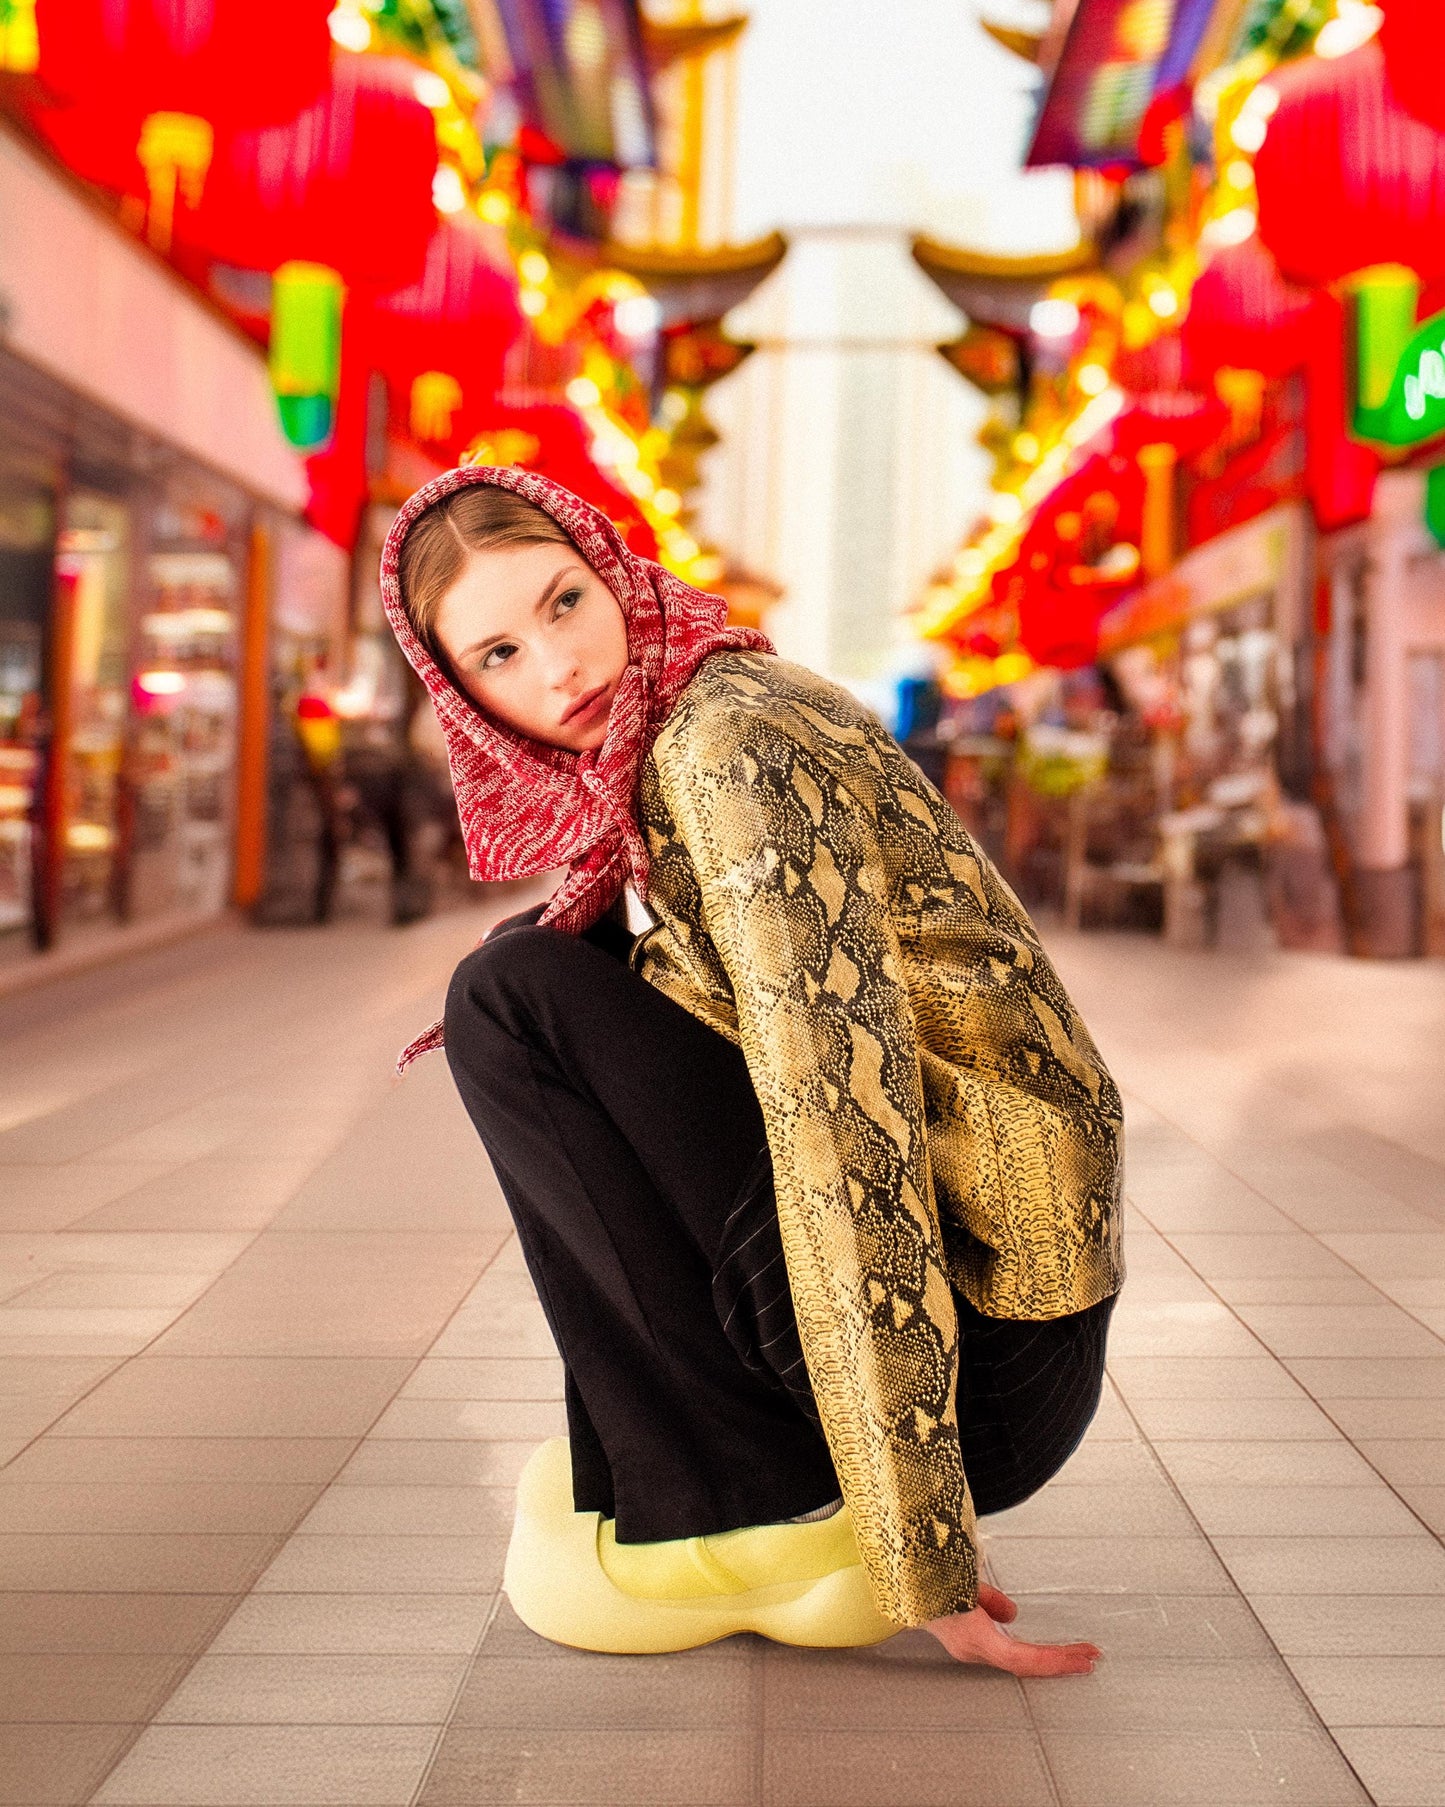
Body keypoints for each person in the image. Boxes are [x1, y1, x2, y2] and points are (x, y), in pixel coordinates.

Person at [379, 464, 1124, 1677]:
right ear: (457, 692)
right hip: (968, 1327)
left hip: (984, 1363)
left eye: (565, 603)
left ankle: (760, 1498)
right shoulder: (681, 727)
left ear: (613, 571)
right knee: (539, 966)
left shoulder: (727, 748)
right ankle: (734, 1477)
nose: (557, 668)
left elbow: (848, 1122)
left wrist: (917, 1547)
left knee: (507, 999)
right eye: (498, 655)